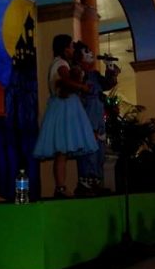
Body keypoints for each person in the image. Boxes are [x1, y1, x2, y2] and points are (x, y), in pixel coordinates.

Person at [32, 34, 97, 198]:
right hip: (63, 109)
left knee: (63, 152)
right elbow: (65, 81)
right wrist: (82, 87)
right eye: (70, 46)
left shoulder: (64, 63)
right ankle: (60, 187)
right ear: (64, 48)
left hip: (66, 107)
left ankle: (61, 186)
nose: (73, 49)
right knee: (61, 151)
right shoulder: (60, 64)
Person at [72, 41, 119, 196]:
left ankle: (96, 182)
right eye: (87, 51)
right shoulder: (77, 73)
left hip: (98, 120)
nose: (91, 54)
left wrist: (110, 67)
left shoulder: (94, 75)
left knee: (99, 152)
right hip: (86, 120)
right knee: (87, 153)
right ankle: (86, 184)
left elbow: (108, 84)